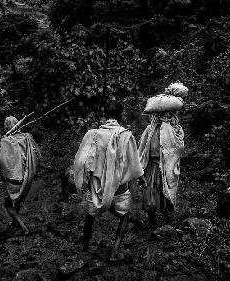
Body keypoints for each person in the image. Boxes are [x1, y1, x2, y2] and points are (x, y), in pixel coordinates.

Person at [74, 100, 146, 261]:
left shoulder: (93, 134)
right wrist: (141, 178)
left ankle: (84, 248)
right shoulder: (126, 135)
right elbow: (134, 162)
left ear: (105, 115)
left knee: (89, 217)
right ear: (121, 115)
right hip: (119, 188)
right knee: (125, 216)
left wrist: (84, 179)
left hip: (97, 188)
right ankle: (115, 249)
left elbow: (82, 160)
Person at [138, 83, 186, 227]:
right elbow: (142, 148)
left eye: (168, 115)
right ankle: (152, 220)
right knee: (150, 194)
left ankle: (166, 221)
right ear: (157, 115)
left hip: (165, 166)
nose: (165, 117)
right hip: (152, 166)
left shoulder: (174, 129)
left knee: (165, 193)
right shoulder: (150, 129)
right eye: (162, 115)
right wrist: (140, 166)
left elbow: (178, 147)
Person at [0, 116, 41, 234]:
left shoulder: (5, 141)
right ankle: (15, 223)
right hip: (27, 176)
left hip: (14, 179)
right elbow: (38, 154)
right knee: (17, 201)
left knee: (8, 204)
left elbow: (0, 161)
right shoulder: (27, 137)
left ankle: (23, 226)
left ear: (6, 127)